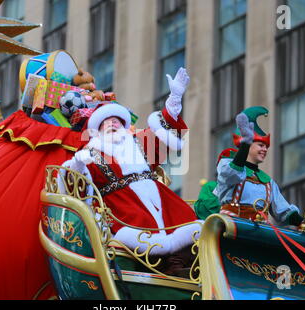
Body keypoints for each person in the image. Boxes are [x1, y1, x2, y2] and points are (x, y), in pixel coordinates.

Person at [62, 68, 201, 274]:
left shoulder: (139, 144)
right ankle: (161, 268)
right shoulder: (92, 153)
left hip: (160, 199)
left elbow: (164, 136)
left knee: (185, 219)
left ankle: (180, 265)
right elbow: (78, 189)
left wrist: (174, 98)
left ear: (125, 127)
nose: (112, 124)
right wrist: (78, 165)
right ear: (97, 132)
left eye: (116, 121)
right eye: (106, 123)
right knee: (141, 230)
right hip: (124, 206)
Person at [213, 106, 305, 235]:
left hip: (258, 234)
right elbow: (232, 175)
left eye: (266, 147)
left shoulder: (268, 182)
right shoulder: (227, 165)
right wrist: (245, 145)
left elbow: (283, 211)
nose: (265, 150)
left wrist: (303, 222)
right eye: (260, 145)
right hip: (230, 229)